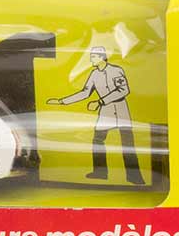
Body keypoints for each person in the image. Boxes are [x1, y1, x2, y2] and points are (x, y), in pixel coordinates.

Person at [47, 47, 144, 185]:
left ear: (101, 57)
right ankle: (100, 172)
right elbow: (85, 92)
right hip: (106, 111)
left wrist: (100, 101)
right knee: (98, 141)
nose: (91, 59)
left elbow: (123, 90)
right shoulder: (94, 74)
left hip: (121, 110)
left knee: (127, 144)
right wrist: (62, 101)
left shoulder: (116, 70)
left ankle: (135, 176)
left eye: (93, 57)